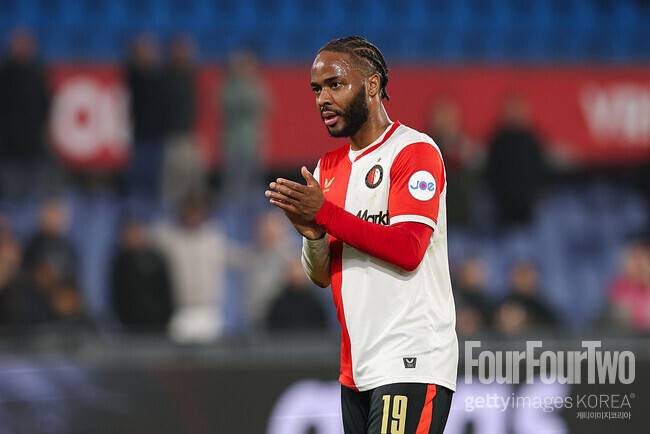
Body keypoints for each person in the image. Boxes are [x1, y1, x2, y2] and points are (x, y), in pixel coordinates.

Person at [265, 36, 456, 434]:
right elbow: (321, 276)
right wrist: (313, 236)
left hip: (411, 358)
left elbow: (409, 249)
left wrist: (325, 214)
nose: (323, 99)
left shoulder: (413, 151)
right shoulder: (327, 169)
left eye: (335, 84)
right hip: (357, 367)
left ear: (371, 85)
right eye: (317, 89)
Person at [0, 29, 52, 200]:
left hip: (33, 146)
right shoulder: (4, 73)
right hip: (9, 147)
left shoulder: (38, 73)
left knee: (35, 196)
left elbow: (45, 106)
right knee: (10, 196)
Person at [485, 94, 547, 228]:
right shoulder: (498, 140)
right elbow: (492, 172)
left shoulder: (532, 140)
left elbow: (539, 170)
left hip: (528, 206)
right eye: (512, 110)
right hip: (503, 207)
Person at [110, 219, 173, 332]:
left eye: (137, 233)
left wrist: (166, 317)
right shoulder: (120, 261)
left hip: (158, 323)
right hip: (130, 325)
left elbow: (165, 290)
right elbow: (117, 294)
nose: (133, 238)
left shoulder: (156, 258)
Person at [265, 259, 328, 332]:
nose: (297, 274)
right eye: (294, 270)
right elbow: (272, 331)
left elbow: (321, 331)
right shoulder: (279, 304)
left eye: (300, 270)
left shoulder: (315, 304)